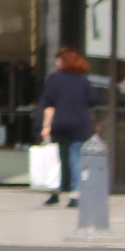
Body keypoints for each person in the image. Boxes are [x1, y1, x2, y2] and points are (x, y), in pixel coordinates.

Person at [39, 46, 96, 207]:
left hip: (60, 124)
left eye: (59, 60)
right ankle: (75, 194)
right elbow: (93, 100)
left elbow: (49, 104)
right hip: (80, 124)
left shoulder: (53, 79)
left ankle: (55, 192)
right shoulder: (83, 80)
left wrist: (46, 125)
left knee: (57, 160)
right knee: (75, 159)